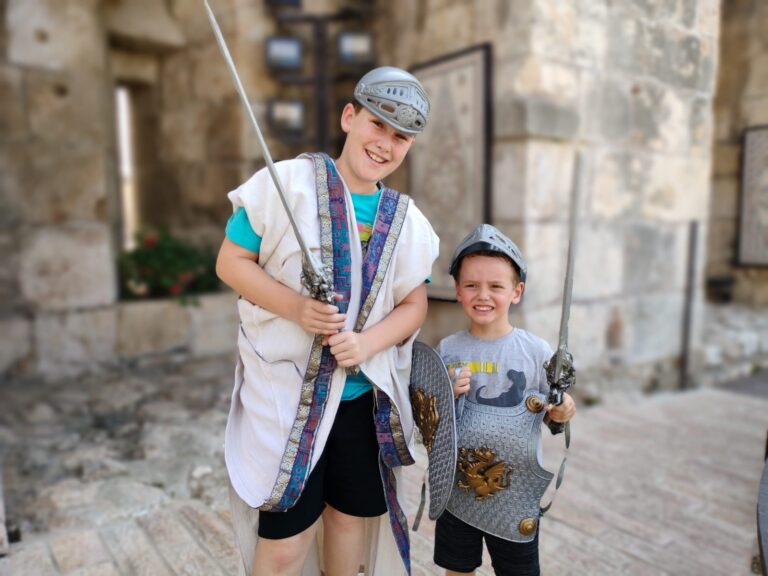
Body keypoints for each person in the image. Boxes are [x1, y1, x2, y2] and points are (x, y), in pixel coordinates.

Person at [216, 66, 439, 576]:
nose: (385, 143)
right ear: (348, 117)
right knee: (288, 535)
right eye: (376, 124)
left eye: (400, 136)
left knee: (347, 525)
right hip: (287, 401)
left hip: (361, 405)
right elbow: (230, 262)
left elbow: (414, 304)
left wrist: (367, 343)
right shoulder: (283, 186)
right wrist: (295, 307)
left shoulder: (409, 223)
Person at [433, 224, 576, 576]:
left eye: (496, 286)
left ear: (516, 291)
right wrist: (444, 393)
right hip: (457, 487)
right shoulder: (447, 349)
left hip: (515, 490)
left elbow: (552, 416)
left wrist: (562, 410)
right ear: (457, 291)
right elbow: (431, 419)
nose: (483, 295)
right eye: (472, 285)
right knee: (457, 569)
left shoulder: (536, 352)